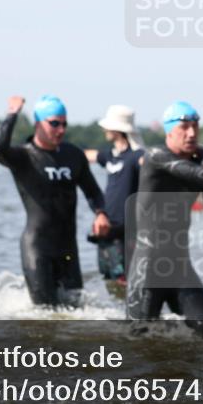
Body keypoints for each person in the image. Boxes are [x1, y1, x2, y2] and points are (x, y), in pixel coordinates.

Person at [126, 101, 203, 337]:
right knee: (137, 343)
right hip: (148, 268)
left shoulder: (199, 165)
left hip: (180, 267)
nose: (192, 133)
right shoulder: (156, 157)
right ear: (169, 131)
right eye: (185, 127)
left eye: (196, 126)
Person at [0, 96, 110, 307]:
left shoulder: (73, 155)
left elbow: (93, 192)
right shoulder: (24, 157)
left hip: (68, 249)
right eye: (54, 123)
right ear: (38, 124)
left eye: (64, 124)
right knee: (45, 314)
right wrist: (13, 113)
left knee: (76, 313)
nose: (61, 129)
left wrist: (101, 213)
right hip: (38, 249)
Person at [84, 105, 144, 287]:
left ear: (118, 129)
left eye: (107, 126)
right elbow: (87, 155)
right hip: (106, 226)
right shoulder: (110, 156)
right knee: (109, 279)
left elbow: (151, 166)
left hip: (127, 229)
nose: (104, 130)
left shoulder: (137, 157)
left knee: (126, 280)